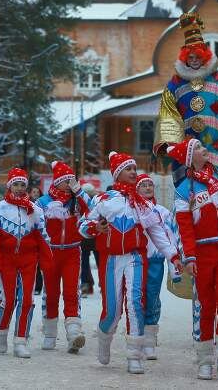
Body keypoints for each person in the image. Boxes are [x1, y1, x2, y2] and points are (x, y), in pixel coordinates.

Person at [78, 152, 183, 374]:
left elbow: (158, 233)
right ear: (117, 173)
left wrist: (173, 256)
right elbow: (83, 225)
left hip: (135, 258)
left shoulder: (142, 204)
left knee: (135, 303)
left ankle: (134, 356)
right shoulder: (104, 200)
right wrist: (95, 228)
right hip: (111, 260)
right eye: (128, 169)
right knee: (112, 310)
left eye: (135, 168)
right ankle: (104, 337)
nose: (133, 172)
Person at [165, 137, 218, 381]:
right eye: (199, 148)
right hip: (201, 255)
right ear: (191, 158)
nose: (204, 149)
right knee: (206, 306)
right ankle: (205, 359)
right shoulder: (184, 190)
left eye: (202, 146)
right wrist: (189, 256)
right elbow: (185, 227)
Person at [154, 11, 218, 184]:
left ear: (205, 57)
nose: (194, 60)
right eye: (190, 57)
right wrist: (170, 144)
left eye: (198, 57)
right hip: (189, 145)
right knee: (191, 190)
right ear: (185, 59)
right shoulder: (175, 84)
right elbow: (169, 116)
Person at [0, 168, 52, 359]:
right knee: (8, 301)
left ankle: (20, 341)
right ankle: (1, 331)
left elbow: (43, 238)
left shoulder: (35, 211)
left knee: (27, 301)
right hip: (7, 261)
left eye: (23, 184)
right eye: (16, 184)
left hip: (28, 261)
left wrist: (47, 262)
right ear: (9, 186)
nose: (19, 188)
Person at [36, 161, 91, 353]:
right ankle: (50, 334)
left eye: (72, 180)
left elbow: (92, 208)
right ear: (57, 181)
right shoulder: (43, 202)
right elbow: (35, 225)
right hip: (50, 253)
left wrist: (80, 191)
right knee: (51, 293)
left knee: (71, 292)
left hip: (72, 252)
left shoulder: (77, 200)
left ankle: (74, 333)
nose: (69, 184)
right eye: (66, 181)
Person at [135, 173, 182, 360]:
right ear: (136, 189)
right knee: (136, 299)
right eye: (143, 185)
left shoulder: (163, 212)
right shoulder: (133, 209)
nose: (148, 188)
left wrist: (174, 263)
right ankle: (136, 337)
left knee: (152, 299)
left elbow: (172, 238)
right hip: (135, 260)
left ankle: (149, 342)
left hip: (155, 261)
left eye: (150, 185)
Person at [29, 183, 45, 296]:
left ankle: (38, 286)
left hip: (40, 236)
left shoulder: (42, 205)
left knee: (39, 263)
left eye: (37, 192)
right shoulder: (26, 204)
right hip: (30, 236)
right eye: (33, 192)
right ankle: (32, 285)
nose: (35, 194)